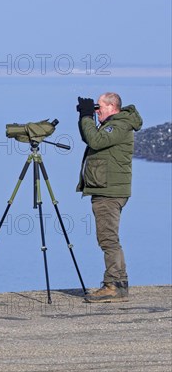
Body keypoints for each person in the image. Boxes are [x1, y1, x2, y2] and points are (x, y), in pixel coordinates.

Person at [76, 93, 142, 303]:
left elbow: (94, 140)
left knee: (108, 240)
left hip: (109, 192)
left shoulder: (119, 125)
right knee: (110, 239)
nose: (97, 111)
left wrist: (87, 117)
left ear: (113, 106)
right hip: (108, 189)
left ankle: (113, 285)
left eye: (100, 107)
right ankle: (119, 284)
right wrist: (84, 119)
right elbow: (92, 138)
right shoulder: (114, 124)